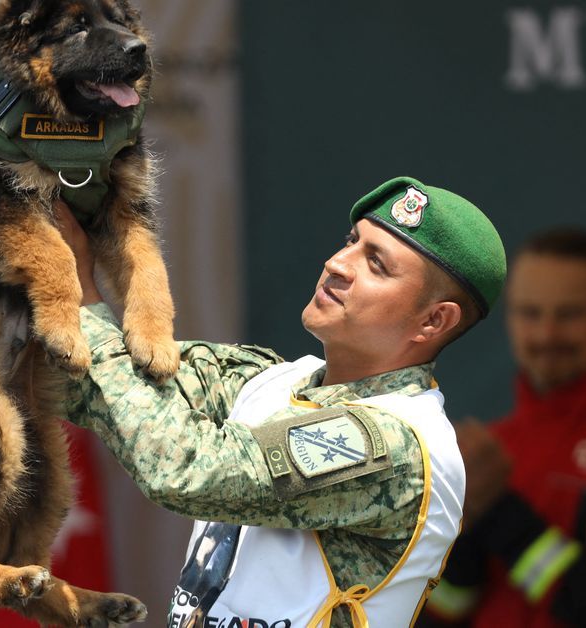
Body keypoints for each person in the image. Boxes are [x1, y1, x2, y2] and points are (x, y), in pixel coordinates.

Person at [53, 176, 506, 627]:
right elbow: (90, 384)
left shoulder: (399, 441)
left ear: (433, 321)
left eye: (376, 265)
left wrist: (77, 295)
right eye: (351, 241)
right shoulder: (268, 380)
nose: (337, 264)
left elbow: (186, 471)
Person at [420, 227, 586, 627]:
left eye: (570, 314)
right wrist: (465, 529)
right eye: (530, 313)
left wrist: (499, 510)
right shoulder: (492, 447)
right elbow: (443, 610)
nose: (546, 334)